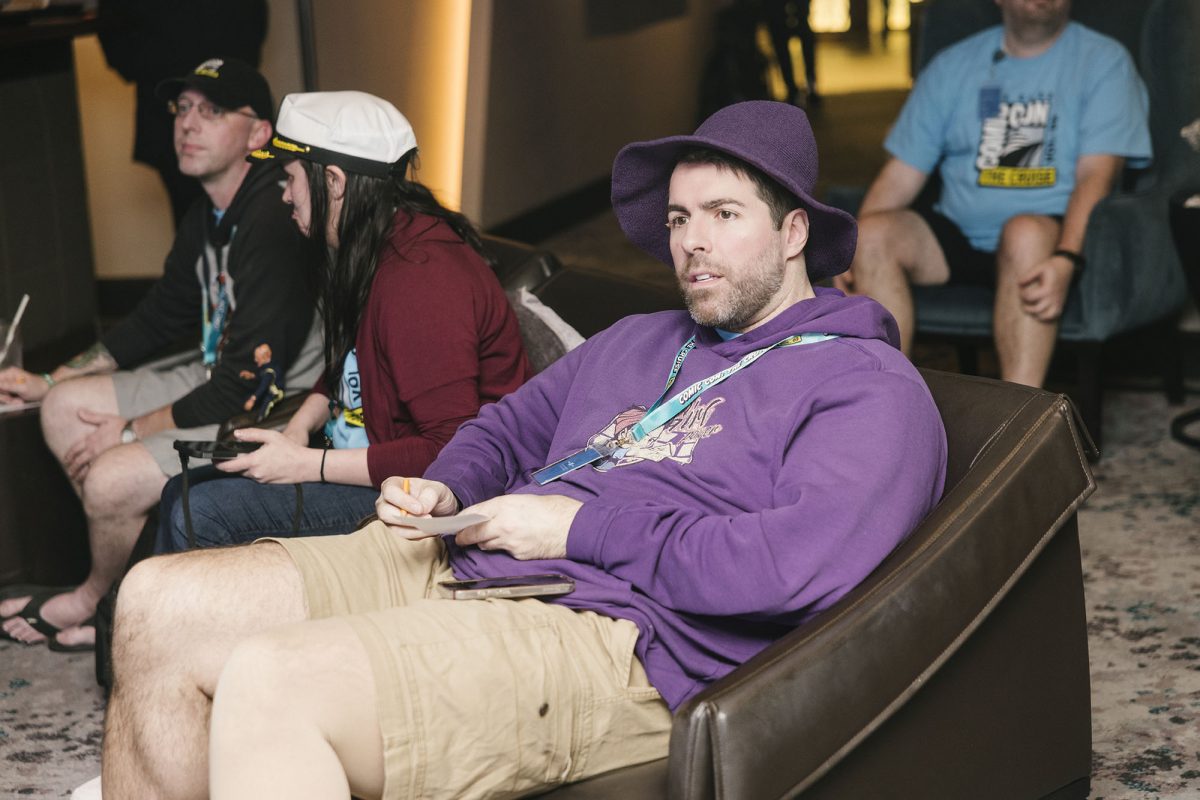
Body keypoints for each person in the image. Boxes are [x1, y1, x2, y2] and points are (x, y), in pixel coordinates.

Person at [88, 101, 946, 800]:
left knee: (272, 682)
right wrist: (447, 487)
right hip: (472, 556)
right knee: (156, 602)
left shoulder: (866, 385)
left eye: (726, 215)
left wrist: (576, 530)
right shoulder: (642, 338)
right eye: (681, 217)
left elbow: (786, 570)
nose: (693, 241)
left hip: (619, 634)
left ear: (794, 233)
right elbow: (502, 429)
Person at [0, 58, 321, 652]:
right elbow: (158, 317)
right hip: (214, 372)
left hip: (272, 404)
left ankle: (101, 601)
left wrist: (128, 434)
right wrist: (51, 377)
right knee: (63, 408)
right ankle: (131, 583)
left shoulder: (274, 216)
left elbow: (245, 385)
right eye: (183, 108)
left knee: (109, 480)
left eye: (212, 111)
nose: (188, 124)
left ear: (258, 134)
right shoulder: (208, 213)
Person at [156, 91, 533, 553]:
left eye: (290, 178)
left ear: (333, 182)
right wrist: (299, 426)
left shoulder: (422, 280)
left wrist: (306, 464)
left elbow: (448, 449)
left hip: (415, 495)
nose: (284, 194)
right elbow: (351, 361)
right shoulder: (372, 242)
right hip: (361, 455)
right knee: (181, 490)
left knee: (198, 510)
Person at [834, 0, 1151, 388]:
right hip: (956, 232)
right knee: (872, 234)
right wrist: (850, 251)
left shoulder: (1104, 61)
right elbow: (902, 174)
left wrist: (1068, 257)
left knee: (1024, 233)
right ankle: (886, 404)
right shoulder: (953, 65)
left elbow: (1096, 177)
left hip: (1047, 238)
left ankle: (1020, 416)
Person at [97, 0, 269, 225]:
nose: (191, 123)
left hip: (226, 92)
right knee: (195, 218)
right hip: (171, 97)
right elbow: (114, 31)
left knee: (250, 207)